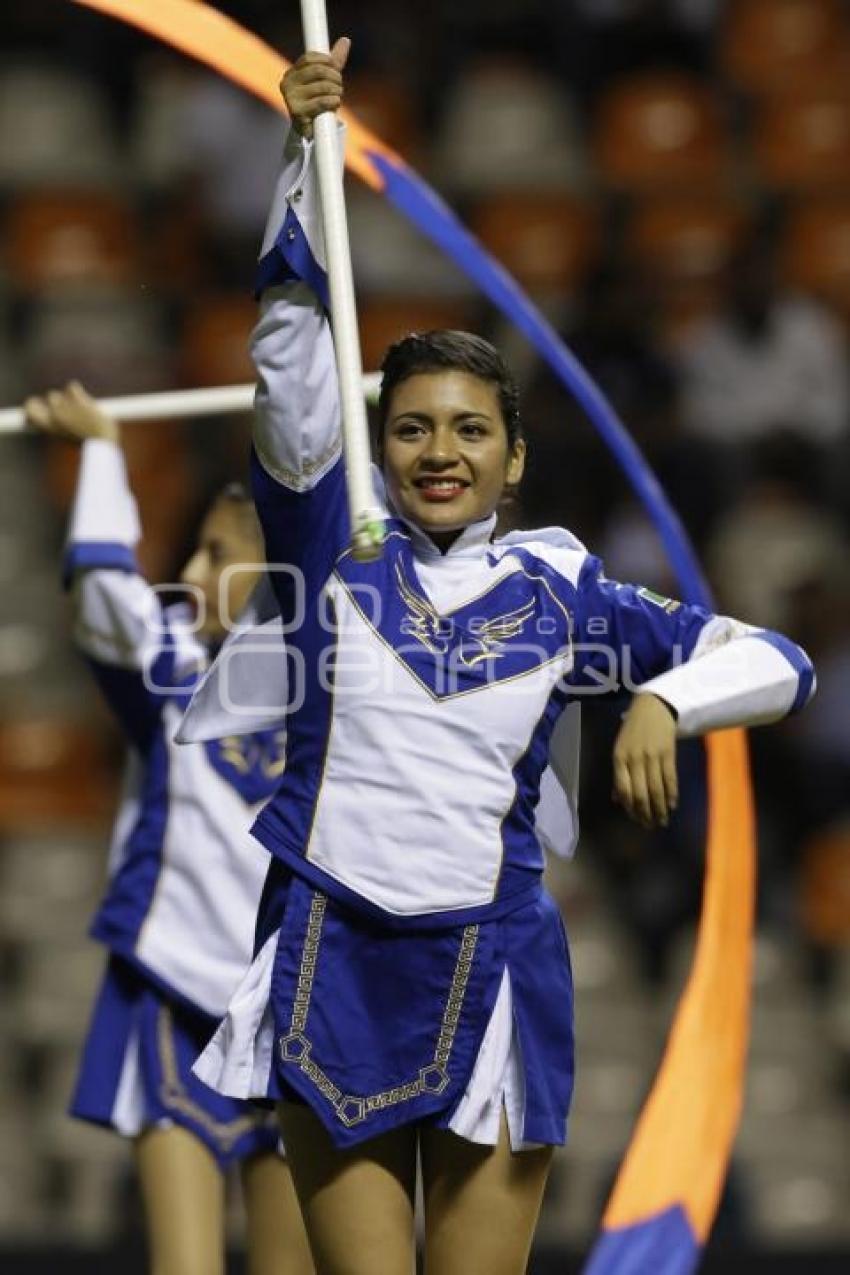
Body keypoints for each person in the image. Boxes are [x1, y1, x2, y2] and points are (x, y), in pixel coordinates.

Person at [194, 40, 816, 1275]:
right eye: (413, 426)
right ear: (378, 449)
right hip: (333, 959)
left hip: (498, 973)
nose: (441, 450)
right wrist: (297, 157)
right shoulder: (329, 549)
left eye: (471, 430)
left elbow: (777, 659)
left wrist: (662, 702)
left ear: (512, 458)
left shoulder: (564, 581)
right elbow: (289, 365)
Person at [24, 383, 313, 1275]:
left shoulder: (339, 680)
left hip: (292, 1011)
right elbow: (104, 583)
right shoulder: (176, 664)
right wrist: (104, 449)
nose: (188, 573)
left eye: (215, 554)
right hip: (176, 995)